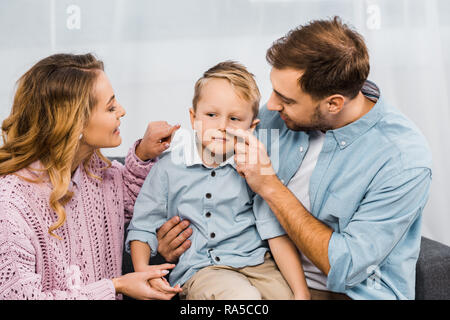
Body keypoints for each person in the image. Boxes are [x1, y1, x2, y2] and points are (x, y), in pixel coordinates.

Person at [155, 17, 433, 300]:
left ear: (333, 103)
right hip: (263, 274)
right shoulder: (276, 119)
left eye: (286, 99)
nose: (271, 105)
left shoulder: (402, 160)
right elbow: (207, 161)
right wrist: (172, 240)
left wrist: (271, 187)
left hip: (350, 292)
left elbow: (346, 267)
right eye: (274, 90)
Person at [0, 53, 183, 300]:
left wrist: (143, 154)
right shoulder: (10, 204)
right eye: (110, 107)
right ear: (74, 123)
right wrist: (115, 286)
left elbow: (135, 201)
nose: (122, 111)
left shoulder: (95, 173)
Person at [126, 61, 310, 300]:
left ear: (251, 127)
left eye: (234, 119)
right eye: (211, 115)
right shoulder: (168, 167)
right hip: (204, 270)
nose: (222, 126)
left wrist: (301, 292)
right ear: (193, 118)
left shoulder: (254, 167)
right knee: (242, 299)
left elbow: (274, 232)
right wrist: (143, 272)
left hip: (257, 265)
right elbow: (143, 226)